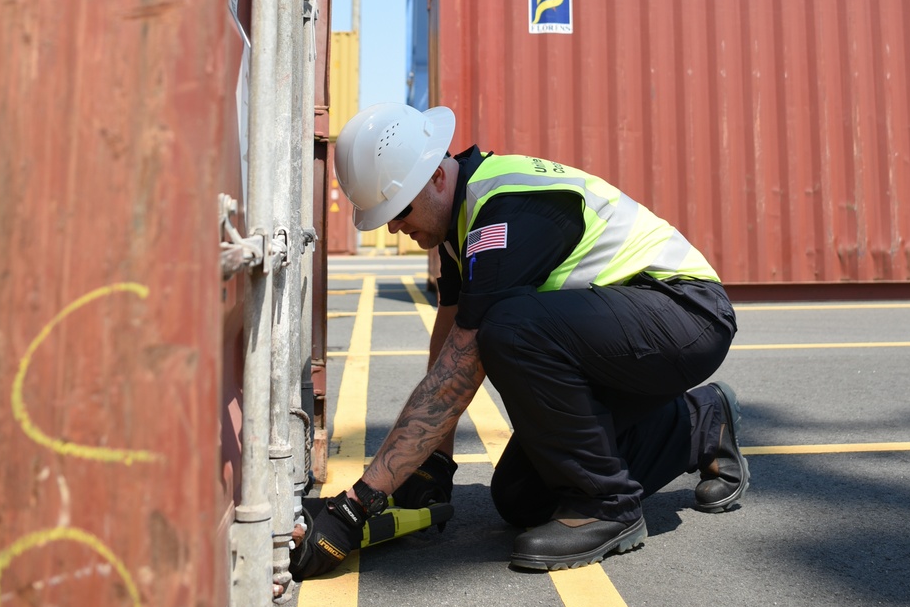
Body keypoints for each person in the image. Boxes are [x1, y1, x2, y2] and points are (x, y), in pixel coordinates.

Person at [290, 102, 749, 579]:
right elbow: (448, 333)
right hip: (625, 339)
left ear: (437, 178)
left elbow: (459, 372)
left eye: (399, 210)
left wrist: (358, 504)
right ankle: (700, 424)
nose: (393, 228)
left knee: (508, 328)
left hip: (686, 313)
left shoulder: (504, 209)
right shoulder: (457, 222)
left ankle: (609, 506)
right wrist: (435, 462)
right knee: (521, 497)